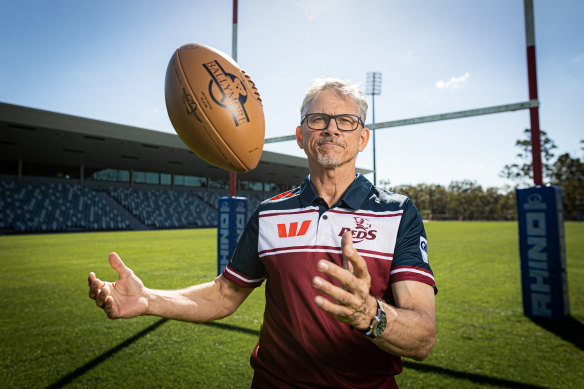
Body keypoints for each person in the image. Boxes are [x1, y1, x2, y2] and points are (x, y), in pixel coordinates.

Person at [88, 78, 437, 388]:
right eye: (318, 119)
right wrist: (148, 299)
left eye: (346, 121)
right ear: (301, 136)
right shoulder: (271, 213)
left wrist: (368, 314)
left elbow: (422, 338)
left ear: (362, 139)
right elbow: (224, 294)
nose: (332, 129)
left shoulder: (396, 212)